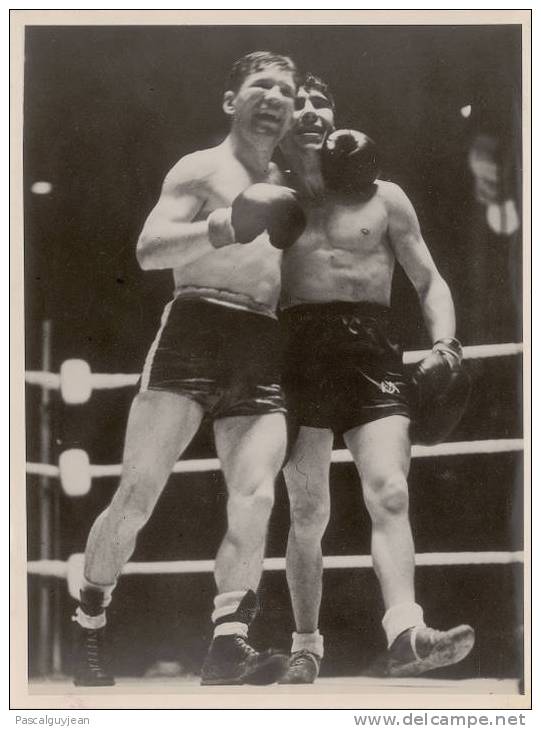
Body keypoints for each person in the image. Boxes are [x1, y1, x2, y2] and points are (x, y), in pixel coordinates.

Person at [71, 51, 306, 687]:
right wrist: (227, 222)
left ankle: (229, 643)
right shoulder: (201, 167)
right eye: (262, 85)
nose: (275, 97)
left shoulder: (290, 177)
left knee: (256, 497)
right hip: (195, 328)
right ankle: (89, 624)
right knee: (137, 494)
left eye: (286, 89)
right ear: (233, 101)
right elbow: (149, 250)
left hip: (259, 340)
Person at [277, 73, 475, 683]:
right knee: (308, 512)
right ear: (281, 118)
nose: (311, 110)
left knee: (390, 491)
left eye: (320, 100)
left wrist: (445, 343)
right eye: (298, 102)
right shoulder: (266, 197)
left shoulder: (385, 196)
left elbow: (429, 280)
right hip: (299, 351)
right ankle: (306, 644)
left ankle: (405, 633)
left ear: (335, 114)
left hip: (373, 350)